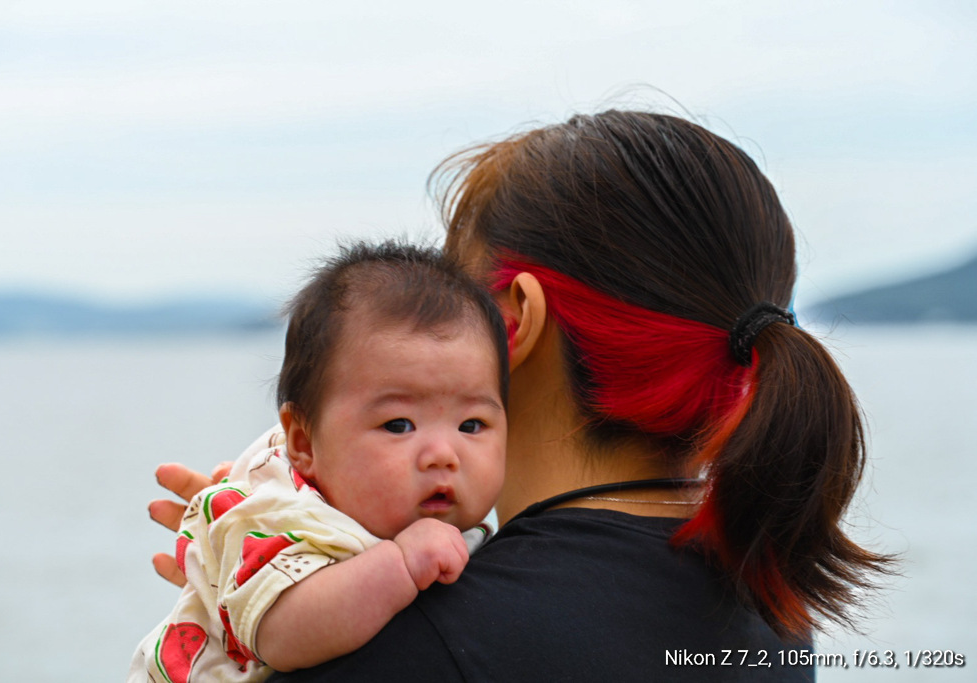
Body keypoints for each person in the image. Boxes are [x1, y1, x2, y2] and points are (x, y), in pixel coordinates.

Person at [149, 110, 891, 681]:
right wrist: (307, 552)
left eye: (453, 293)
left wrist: (244, 627)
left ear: (514, 322)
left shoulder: (424, 646)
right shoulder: (771, 601)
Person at [131, 241, 509, 682]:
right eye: (399, 425)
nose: (444, 455)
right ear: (304, 443)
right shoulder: (284, 519)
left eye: (472, 425)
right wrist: (401, 565)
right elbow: (281, 636)